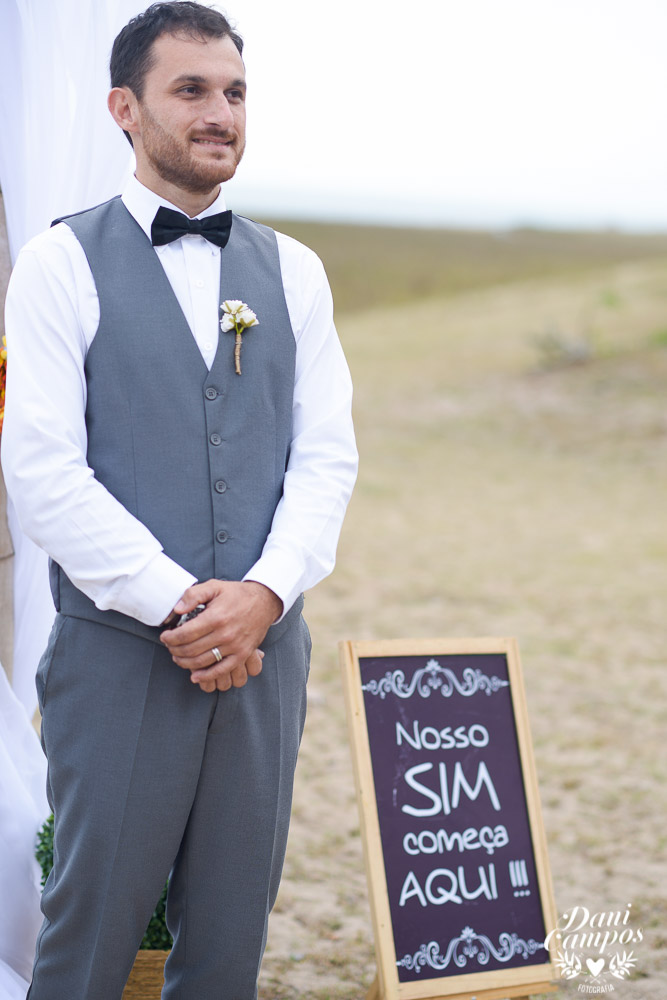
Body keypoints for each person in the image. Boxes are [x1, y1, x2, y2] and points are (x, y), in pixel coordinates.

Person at [0, 2, 358, 997]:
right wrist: (181, 605)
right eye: (191, 90)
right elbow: (41, 470)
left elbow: (325, 456)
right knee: (88, 938)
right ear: (125, 107)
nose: (220, 113)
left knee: (229, 942)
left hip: (263, 660)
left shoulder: (296, 271)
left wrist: (265, 595)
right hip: (118, 659)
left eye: (235, 92)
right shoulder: (59, 261)